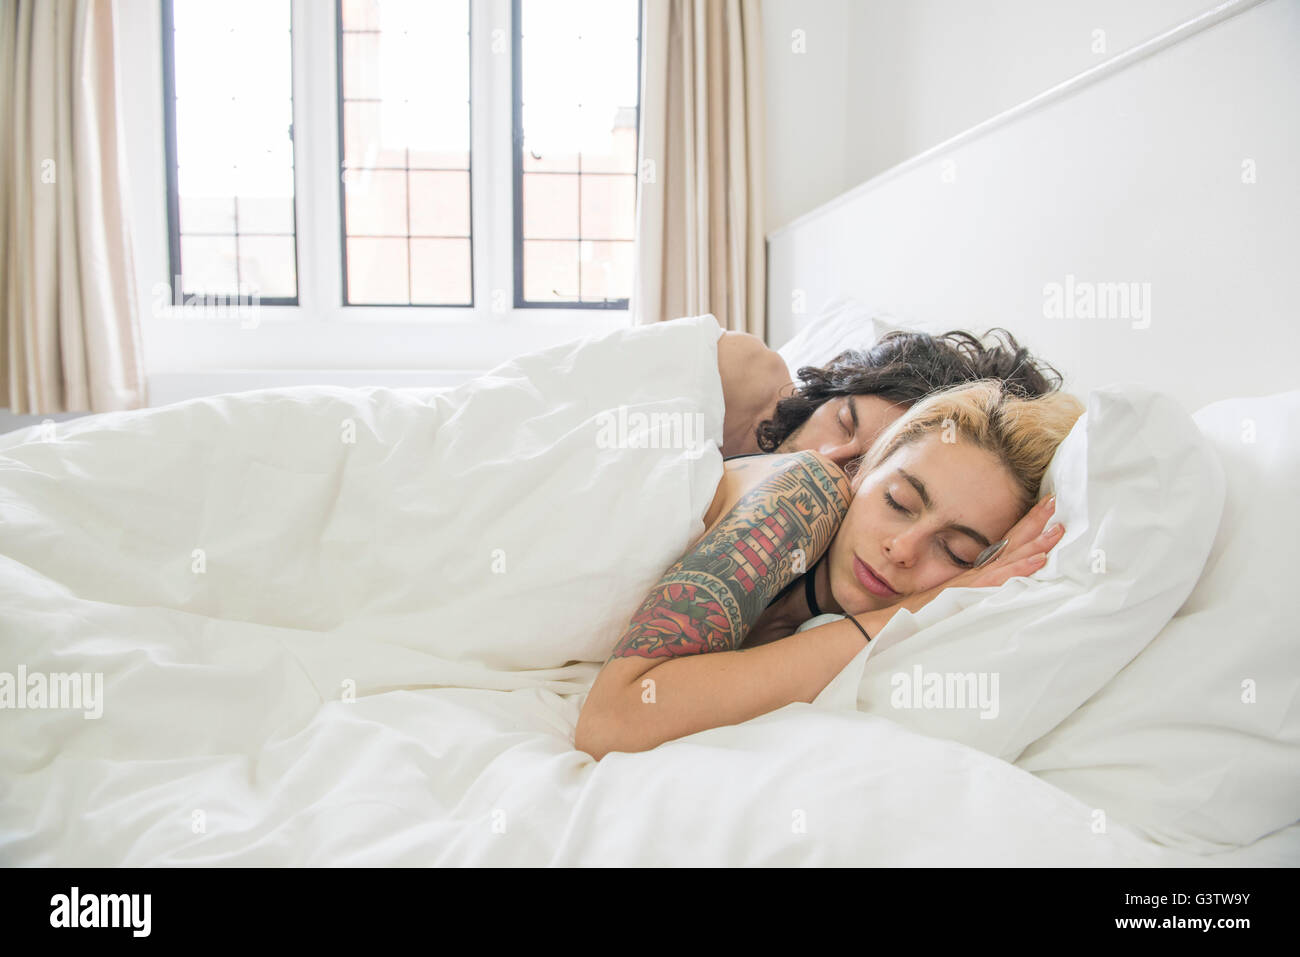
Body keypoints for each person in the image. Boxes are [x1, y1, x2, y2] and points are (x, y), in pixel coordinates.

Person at [575, 380, 1085, 760]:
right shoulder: (807, 491)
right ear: (862, 474)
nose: (902, 549)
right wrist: (908, 610)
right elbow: (612, 722)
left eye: (955, 552)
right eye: (898, 501)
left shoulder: (819, 618)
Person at [717, 327, 1064, 466]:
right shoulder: (742, 376)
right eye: (844, 422)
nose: (825, 457)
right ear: (830, 391)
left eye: (861, 466)